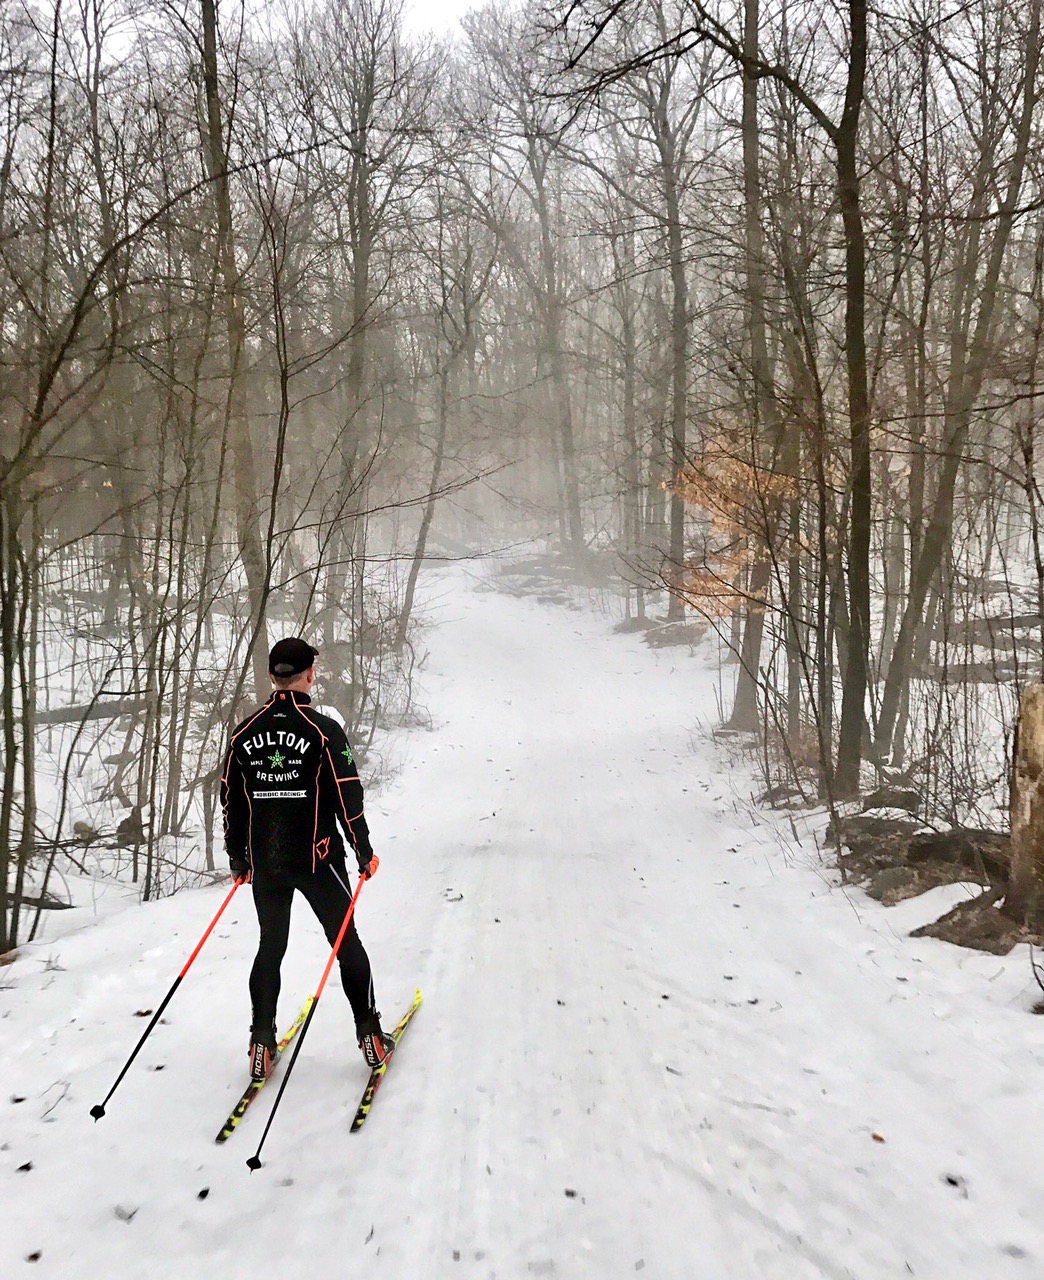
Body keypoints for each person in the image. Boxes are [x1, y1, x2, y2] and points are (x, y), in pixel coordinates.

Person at [220, 636, 393, 1080]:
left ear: (271, 677)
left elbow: (231, 801)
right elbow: (347, 794)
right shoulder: (324, 731)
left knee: (270, 948)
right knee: (344, 943)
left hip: (266, 864)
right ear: (310, 675)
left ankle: (261, 1039)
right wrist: (364, 850)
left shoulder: (243, 733)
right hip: (318, 861)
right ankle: (370, 1035)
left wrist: (238, 858)